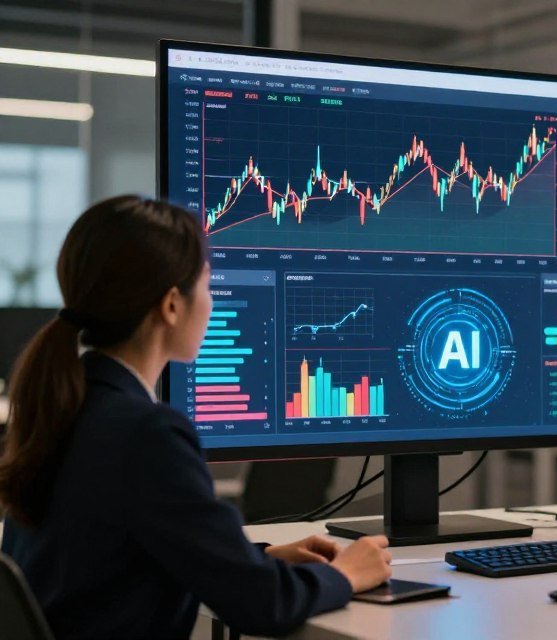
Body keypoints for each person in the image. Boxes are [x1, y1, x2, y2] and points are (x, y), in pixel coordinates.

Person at [0, 196, 391, 639]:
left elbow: (113, 553)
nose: (211, 301)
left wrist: (254, 558)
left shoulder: (66, 406)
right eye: (207, 284)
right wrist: (347, 574)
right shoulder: (147, 433)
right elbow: (264, 605)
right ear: (171, 305)